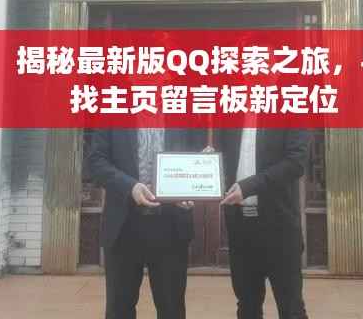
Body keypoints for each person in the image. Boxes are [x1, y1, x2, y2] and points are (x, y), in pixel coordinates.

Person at [88, 127, 206, 319]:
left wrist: (188, 188)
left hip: (170, 225)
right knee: (119, 309)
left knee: (172, 309)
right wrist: (130, 186)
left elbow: (196, 155)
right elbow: (96, 162)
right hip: (124, 225)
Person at [219, 121, 310, 319]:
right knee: (247, 306)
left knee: (291, 307)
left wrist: (249, 186)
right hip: (240, 227)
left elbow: (296, 163)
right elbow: (221, 156)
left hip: (279, 227)